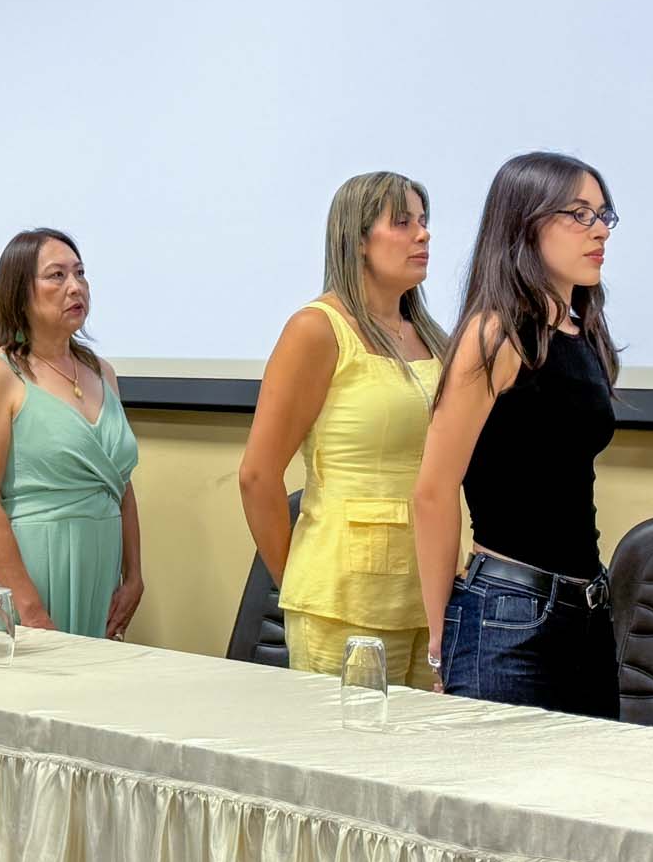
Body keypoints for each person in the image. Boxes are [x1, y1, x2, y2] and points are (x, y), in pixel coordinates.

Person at [413, 151, 623, 718]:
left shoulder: (581, 332)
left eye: (604, 215)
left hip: (587, 610)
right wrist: (440, 636)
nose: (600, 231)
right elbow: (433, 491)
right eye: (579, 215)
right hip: (507, 612)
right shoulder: (495, 335)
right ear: (526, 224)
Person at [239, 172, 449, 683]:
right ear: (357, 239)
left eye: (424, 222)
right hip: (342, 600)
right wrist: (300, 583)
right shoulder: (317, 329)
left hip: (426, 595)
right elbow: (257, 476)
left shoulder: (430, 337)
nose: (423, 234)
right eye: (403, 222)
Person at [0, 229, 142, 639]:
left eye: (80, 273)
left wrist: (134, 576)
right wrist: (30, 610)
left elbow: (120, 483)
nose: (75, 287)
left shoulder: (102, 371)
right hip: (29, 573)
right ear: (19, 292)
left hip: (99, 569)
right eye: (56, 276)